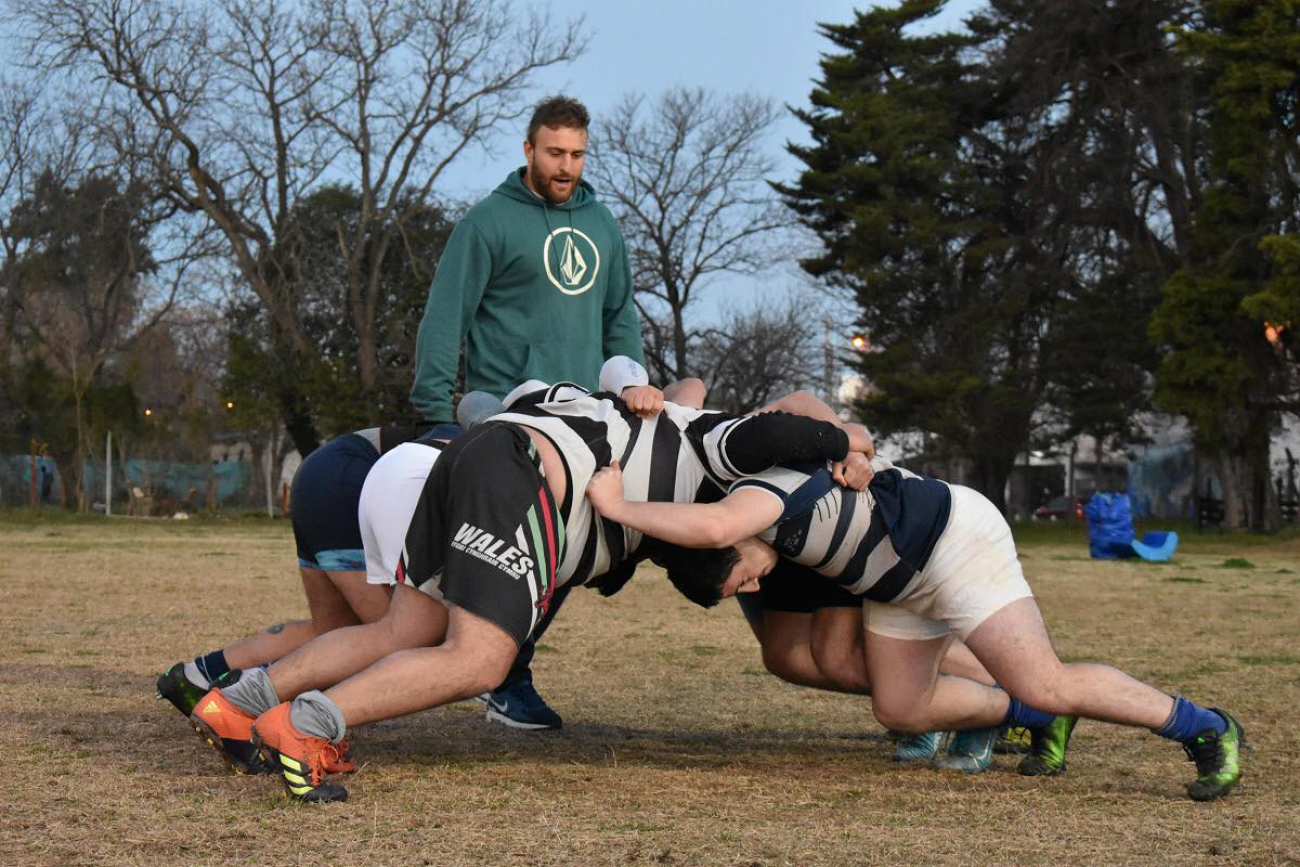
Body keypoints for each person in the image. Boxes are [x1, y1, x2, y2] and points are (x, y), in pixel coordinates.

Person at [188, 371, 874, 801]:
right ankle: (305, 728)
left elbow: (579, 399)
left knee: (403, 631)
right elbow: (778, 422)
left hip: (479, 453)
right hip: (518, 474)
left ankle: (238, 703)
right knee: (479, 659)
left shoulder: (653, 473)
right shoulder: (716, 446)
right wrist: (845, 443)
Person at [586, 455, 1247, 801]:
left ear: (730, 544)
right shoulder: (749, 520)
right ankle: (1035, 716)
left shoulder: (753, 504)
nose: (755, 588)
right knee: (899, 705)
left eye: (742, 579)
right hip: (895, 585)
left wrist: (618, 505)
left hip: (952, 542)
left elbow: (707, 526)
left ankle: (1205, 726)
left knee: (1048, 678)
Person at [408, 94, 643, 730]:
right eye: (555, 153)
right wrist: (434, 405)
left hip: (585, 416)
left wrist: (631, 385)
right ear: (528, 150)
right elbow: (445, 315)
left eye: (577, 154)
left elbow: (620, 315)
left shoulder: (602, 225)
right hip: (508, 412)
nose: (567, 166)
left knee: (573, 549)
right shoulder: (487, 221)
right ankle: (499, 673)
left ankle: (509, 667)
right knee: (517, 550)